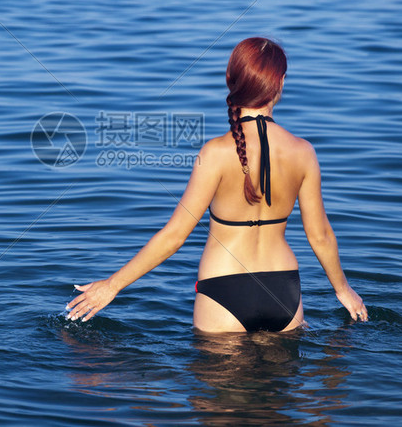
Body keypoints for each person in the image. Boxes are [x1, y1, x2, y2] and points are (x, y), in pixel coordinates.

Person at [66, 37, 367, 332]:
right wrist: (343, 290)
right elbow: (320, 236)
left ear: (230, 80)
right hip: (283, 291)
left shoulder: (216, 152)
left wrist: (111, 285)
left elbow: (174, 236)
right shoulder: (304, 152)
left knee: (221, 381)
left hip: (223, 289)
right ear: (281, 83)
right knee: (279, 382)